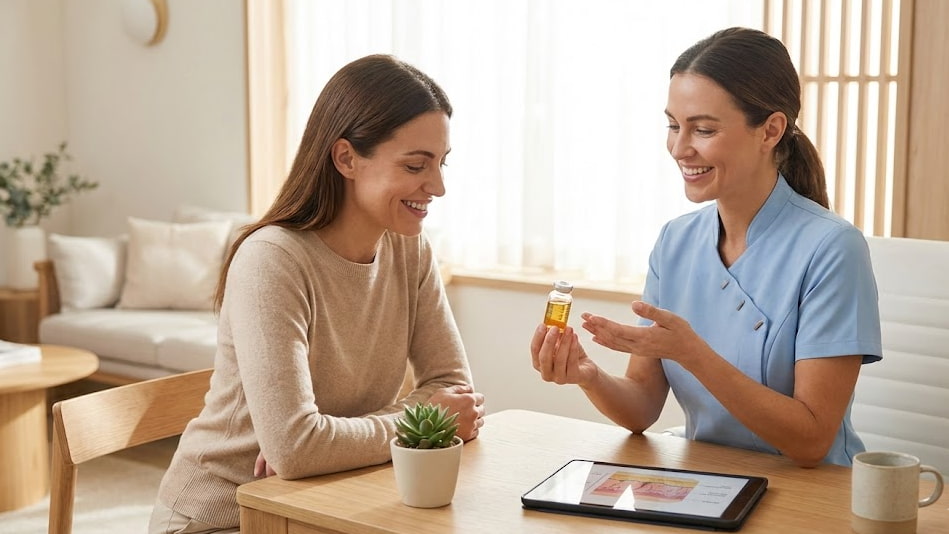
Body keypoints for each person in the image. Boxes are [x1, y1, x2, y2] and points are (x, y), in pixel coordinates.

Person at [149, 54, 485, 533]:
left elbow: (455, 389)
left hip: (336, 496)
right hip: (227, 514)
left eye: (440, 163)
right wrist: (426, 417)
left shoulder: (410, 250)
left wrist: (327, 442)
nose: (438, 187)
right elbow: (297, 447)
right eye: (416, 165)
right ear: (346, 158)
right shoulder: (272, 260)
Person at [529, 27, 881, 468]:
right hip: (707, 483)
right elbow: (642, 406)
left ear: (770, 130)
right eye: (673, 125)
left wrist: (693, 353)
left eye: (704, 129)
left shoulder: (832, 249)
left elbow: (811, 440)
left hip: (813, 492)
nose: (679, 148)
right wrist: (589, 376)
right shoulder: (675, 242)